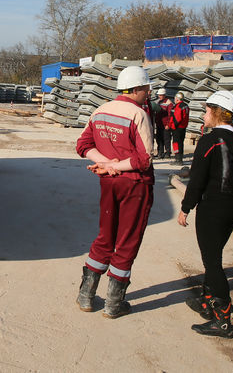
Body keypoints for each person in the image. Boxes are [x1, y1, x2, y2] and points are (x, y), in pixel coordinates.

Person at [75, 65, 155, 319]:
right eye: (146, 88)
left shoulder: (101, 111)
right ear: (137, 89)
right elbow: (144, 159)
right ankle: (113, 303)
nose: (149, 92)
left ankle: (86, 295)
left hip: (108, 183)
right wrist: (115, 165)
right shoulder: (138, 114)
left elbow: (83, 145)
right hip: (135, 185)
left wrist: (104, 164)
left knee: (105, 236)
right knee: (127, 240)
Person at [176, 90, 233, 338]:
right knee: (215, 254)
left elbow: (197, 180)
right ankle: (207, 300)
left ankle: (222, 319)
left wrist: (185, 208)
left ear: (217, 113)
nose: (204, 114)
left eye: (207, 110)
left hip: (213, 206)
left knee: (212, 262)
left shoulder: (210, 141)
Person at [168, 91, 190, 164]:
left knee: (176, 143)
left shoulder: (178, 106)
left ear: (177, 99)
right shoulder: (186, 105)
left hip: (177, 128)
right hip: (183, 127)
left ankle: (178, 159)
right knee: (181, 143)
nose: (174, 99)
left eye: (175, 98)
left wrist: (172, 126)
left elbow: (177, 118)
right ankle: (180, 158)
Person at [153, 88, 171, 159]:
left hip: (165, 124)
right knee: (159, 139)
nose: (159, 96)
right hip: (159, 123)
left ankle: (168, 153)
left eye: (160, 95)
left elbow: (170, 115)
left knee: (166, 139)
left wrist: (168, 124)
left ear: (164, 95)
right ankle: (160, 152)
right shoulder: (158, 102)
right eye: (159, 95)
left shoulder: (169, 103)